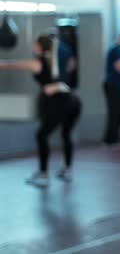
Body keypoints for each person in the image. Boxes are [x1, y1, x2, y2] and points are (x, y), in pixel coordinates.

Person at [0, 33, 81, 187]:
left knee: (41, 135)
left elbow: (12, 64)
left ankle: (43, 175)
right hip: (73, 101)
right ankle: (67, 169)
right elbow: (71, 65)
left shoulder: (38, 62)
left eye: (35, 45)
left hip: (61, 102)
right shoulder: (54, 61)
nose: (33, 47)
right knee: (65, 134)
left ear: (40, 46)